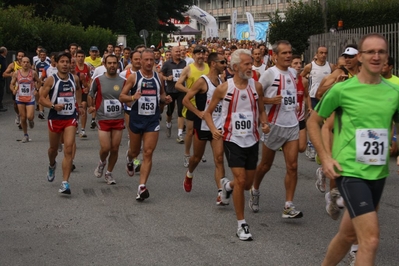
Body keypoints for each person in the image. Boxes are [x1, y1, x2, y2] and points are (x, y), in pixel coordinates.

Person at [307, 33, 399, 266]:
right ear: (360, 57)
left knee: (348, 235)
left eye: (381, 52)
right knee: (370, 239)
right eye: (370, 52)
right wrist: (326, 158)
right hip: (350, 171)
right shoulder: (342, 90)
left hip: (378, 173)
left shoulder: (394, 92)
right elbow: (314, 122)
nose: (376, 56)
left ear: (387, 56)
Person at [204, 49, 269, 241]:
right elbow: (207, 113)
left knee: (247, 183)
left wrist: (264, 123)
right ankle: (242, 224)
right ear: (234, 68)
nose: (250, 67)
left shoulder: (256, 87)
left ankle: (227, 186)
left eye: (251, 64)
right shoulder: (224, 88)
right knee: (241, 180)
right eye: (246, 64)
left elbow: (261, 110)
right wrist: (214, 130)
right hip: (232, 139)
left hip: (252, 139)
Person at [250, 40, 303, 219]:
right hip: (273, 125)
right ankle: (255, 188)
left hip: (292, 124)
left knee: (293, 166)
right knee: (265, 165)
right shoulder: (269, 74)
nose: (289, 56)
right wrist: (271, 101)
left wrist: (296, 106)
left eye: (290, 53)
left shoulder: (294, 73)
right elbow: (255, 97)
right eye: (284, 53)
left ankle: (288, 205)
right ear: (275, 56)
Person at [119, 49, 171, 201]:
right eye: (146, 60)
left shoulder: (159, 77)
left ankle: (142, 187)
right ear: (140, 61)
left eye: (152, 60)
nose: (149, 63)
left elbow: (161, 94)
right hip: (136, 118)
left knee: (147, 152)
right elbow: (121, 96)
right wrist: (132, 97)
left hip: (152, 120)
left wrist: (165, 99)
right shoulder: (134, 78)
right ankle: (129, 159)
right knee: (134, 151)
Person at [182, 52, 226, 204]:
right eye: (222, 62)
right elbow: (186, 100)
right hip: (202, 125)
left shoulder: (222, 81)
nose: (225, 65)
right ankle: (189, 174)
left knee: (219, 158)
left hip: (218, 126)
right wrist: (198, 113)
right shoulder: (202, 81)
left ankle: (221, 193)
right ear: (213, 64)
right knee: (197, 158)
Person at [39, 52, 84, 194]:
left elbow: (78, 91)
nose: (65, 64)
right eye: (62, 61)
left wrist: (79, 105)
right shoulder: (51, 80)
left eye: (67, 61)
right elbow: (41, 98)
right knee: (53, 149)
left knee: (69, 148)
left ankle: (65, 183)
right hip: (55, 117)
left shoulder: (74, 78)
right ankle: (52, 165)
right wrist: (53, 106)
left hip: (70, 118)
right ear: (57, 63)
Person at [88, 55, 126, 185]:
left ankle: (109, 173)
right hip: (103, 117)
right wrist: (91, 106)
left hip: (118, 118)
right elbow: (90, 94)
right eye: (109, 63)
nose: (112, 65)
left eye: (114, 63)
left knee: (115, 148)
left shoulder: (123, 81)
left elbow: (128, 97)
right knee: (105, 148)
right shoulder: (98, 80)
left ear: (118, 64)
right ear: (105, 64)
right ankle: (102, 162)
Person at [175, 46, 209, 167]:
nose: (200, 56)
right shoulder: (188, 69)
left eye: (202, 54)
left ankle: (199, 153)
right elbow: (178, 85)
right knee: (190, 132)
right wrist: (189, 91)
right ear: (193, 56)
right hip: (192, 104)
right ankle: (187, 154)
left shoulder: (209, 68)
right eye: (198, 54)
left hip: (206, 105)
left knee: (203, 131)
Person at [301, 46, 334, 160]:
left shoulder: (330, 67)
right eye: (321, 53)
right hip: (312, 98)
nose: (323, 55)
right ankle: (311, 146)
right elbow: (301, 80)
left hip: (325, 98)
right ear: (317, 54)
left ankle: (322, 147)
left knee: (326, 124)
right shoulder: (310, 66)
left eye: (325, 53)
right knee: (314, 123)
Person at [10, 57, 41, 142]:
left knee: (30, 116)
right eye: (24, 62)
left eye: (27, 62)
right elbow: (12, 84)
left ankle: (31, 120)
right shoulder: (16, 73)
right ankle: (25, 135)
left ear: (29, 63)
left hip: (30, 97)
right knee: (23, 118)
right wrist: (13, 90)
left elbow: (39, 82)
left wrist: (36, 90)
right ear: (21, 63)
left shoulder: (33, 73)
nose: (26, 64)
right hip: (20, 97)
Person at [161, 46, 186, 140]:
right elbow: (161, 74)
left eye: (179, 51)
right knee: (170, 111)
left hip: (181, 90)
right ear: (172, 53)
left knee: (180, 111)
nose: (178, 53)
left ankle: (180, 134)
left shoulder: (184, 63)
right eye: (176, 52)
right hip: (170, 90)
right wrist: (167, 78)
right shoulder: (167, 64)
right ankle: (168, 124)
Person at [291, 55, 309, 153]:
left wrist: (309, 108)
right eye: (295, 63)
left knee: (302, 147)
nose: (298, 66)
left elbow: (306, 96)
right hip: (288, 118)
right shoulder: (286, 79)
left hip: (300, 117)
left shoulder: (304, 81)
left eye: (300, 63)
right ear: (290, 65)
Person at [3, 50, 25, 127]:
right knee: (16, 105)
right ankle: (18, 114)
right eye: (19, 56)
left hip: (25, 88)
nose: (21, 58)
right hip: (15, 88)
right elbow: (4, 74)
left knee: (24, 105)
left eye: (22, 56)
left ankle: (22, 122)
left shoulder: (26, 65)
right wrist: (11, 74)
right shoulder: (13, 65)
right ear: (17, 56)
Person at [0, 46, 8, 112]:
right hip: (1, 77)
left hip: (2, 77)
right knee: (1, 92)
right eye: (6, 51)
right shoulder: (1, 58)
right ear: (4, 51)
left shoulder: (3, 58)